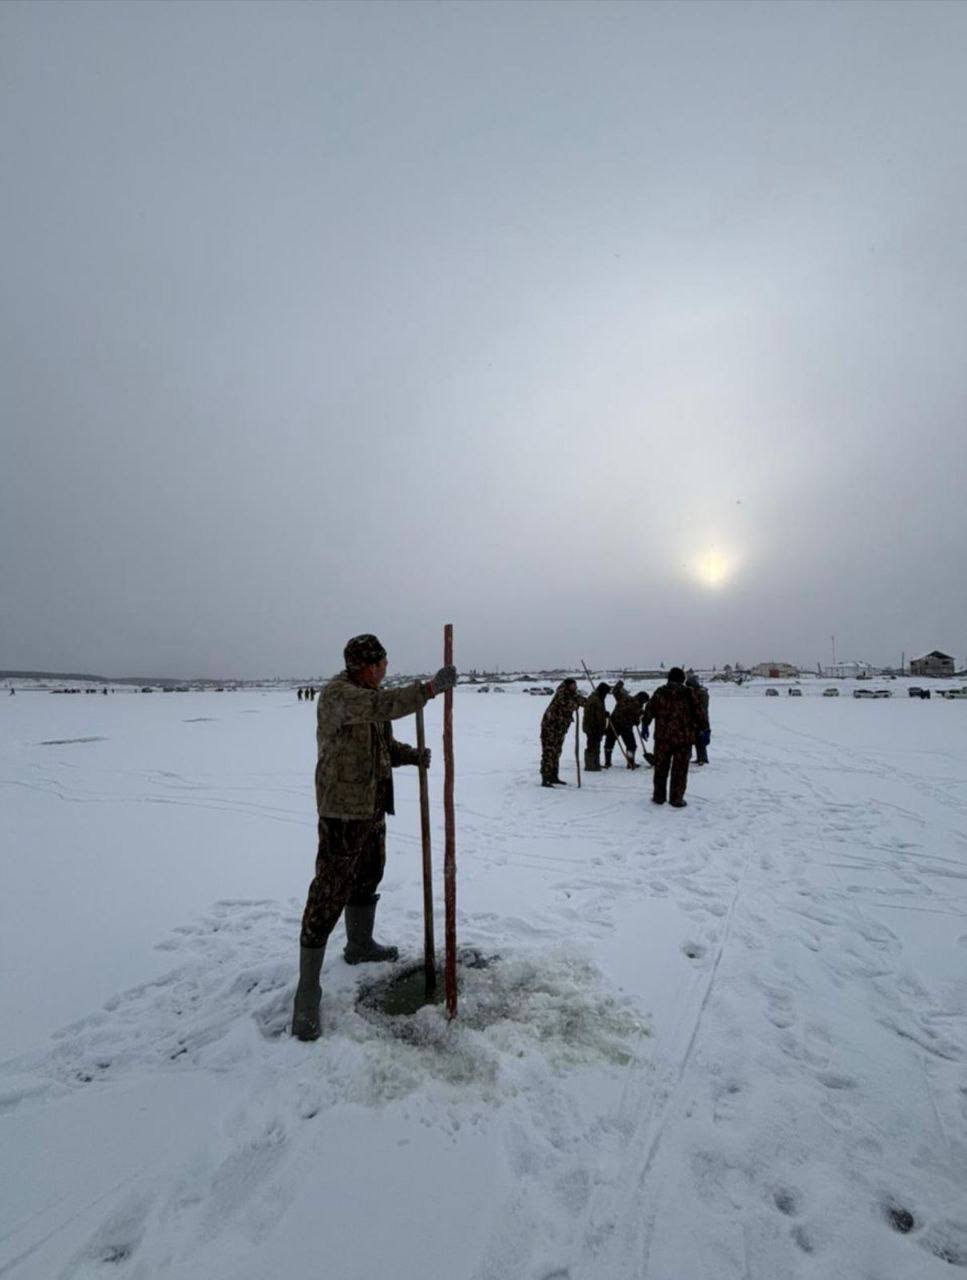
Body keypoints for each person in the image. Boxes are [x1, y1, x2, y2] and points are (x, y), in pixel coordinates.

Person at [292, 634, 457, 1041]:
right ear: (367, 665)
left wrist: (411, 756)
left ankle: (359, 944)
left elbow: (381, 743)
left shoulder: (370, 694)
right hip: (343, 809)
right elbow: (379, 708)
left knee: (369, 874)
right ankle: (307, 989)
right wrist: (430, 690)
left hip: (372, 805)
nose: (386, 667)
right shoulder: (340, 695)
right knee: (330, 889)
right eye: (382, 662)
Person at [642, 667, 709, 808]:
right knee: (680, 771)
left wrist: (645, 725)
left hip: (662, 739)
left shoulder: (660, 692)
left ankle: (659, 797)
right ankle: (676, 799)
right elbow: (699, 712)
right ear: (682, 679)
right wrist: (705, 729)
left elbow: (649, 710)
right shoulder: (688, 693)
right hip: (683, 740)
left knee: (660, 769)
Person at [540, 678, 586, 787]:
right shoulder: (562, 694)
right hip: (550, 728)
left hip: (559, 729)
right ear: (568, 685)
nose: (575, 687)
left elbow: (581, 700)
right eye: (573, 685)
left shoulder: (571, 694)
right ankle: (545, 778)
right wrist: (576, 704)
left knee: (556, 752)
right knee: (549, 753)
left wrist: (590, 702)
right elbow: (568, 705)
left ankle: (553, 776)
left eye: (576, 685)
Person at [606, 683, 641, 769]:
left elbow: (615, 691)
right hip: (626, 727)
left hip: (613, 723)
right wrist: (637, 722)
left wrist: (620, 683)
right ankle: (630, 762)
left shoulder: (624, 697)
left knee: (609, 743)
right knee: (631, 745)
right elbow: (636, 720)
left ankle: (608, 762)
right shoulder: (638, 705)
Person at [686, 673, 711, 764]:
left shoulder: (701, 693)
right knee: (692, 739)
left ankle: (702, 758)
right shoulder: (695, 692)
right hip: (692, 719)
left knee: (700, 739)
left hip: (700, 719)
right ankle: (696, 758)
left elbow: (702, 708)